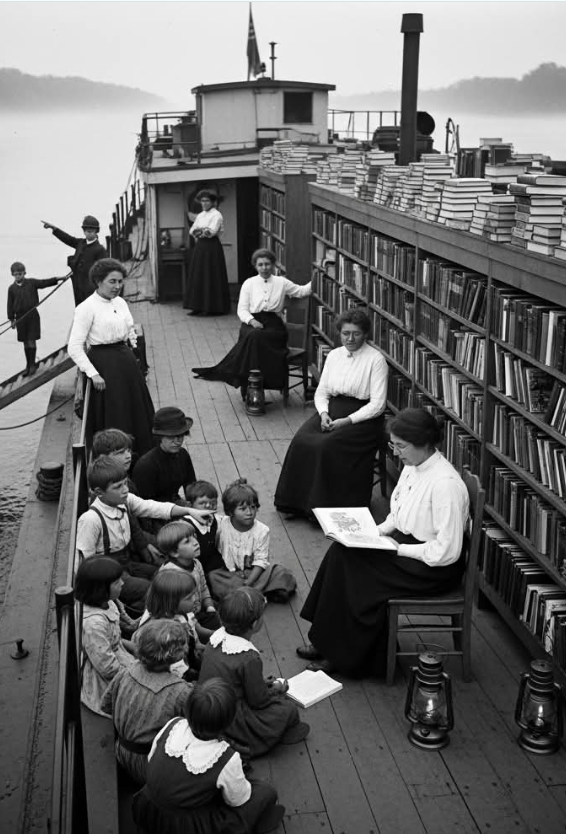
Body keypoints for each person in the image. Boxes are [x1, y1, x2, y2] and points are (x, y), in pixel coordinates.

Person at [297, 408, 469, 677]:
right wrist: (373, 533)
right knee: (341, 552)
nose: (395, 452)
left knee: (358, 574)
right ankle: (326, 641)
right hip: (408, 547)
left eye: (401, 446)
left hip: (431, 568)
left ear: (423, 444)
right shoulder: (414, 465)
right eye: (393, 445)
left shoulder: (445, 485)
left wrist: (397, 548)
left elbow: (446, 551)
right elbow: (397, 513)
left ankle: (346, 657)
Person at [131, 678, 285, 834]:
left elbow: (151, 759)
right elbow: (238, 800)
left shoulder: (173, 725)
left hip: (148, 813)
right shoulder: (226, 757)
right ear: (227, 723)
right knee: (265, 792)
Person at [274, 308, 388, 517]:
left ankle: (323, 510)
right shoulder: (334, 356)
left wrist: (347, 421)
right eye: (346, 333)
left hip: (363, 419)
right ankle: (296, 503)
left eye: (356, 333)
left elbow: (378, 405)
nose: (350, 338)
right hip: (332, 410)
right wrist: (324, 413)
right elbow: (322, 391)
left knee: (325, 446)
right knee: (301, 440)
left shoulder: (376, 360)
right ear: (339, 333)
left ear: (365, 334)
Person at [76, 456, 212, 615]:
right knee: (150, 589)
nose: (125, 489)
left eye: (125, 483)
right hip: (108, 576)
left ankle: (186, 610)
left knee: (163, 574)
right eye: (118, 486)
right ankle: (158, 617)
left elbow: (152, 507)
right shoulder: (91, 520)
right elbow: (85, 563)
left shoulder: (125, 501)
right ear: (99, 492)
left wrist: (190, 511)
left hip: (127, 562)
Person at [198, 587, 309, 757]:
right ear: (255, 624)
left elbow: (232, 677)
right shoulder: (248, 657)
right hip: (231, 715)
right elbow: (259, 701)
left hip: (207, 707)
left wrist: (263, 683)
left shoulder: (215, 639)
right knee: (287, 710)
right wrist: (277, 688)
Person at [191, 248, 312, 399]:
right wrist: (252, 321)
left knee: (255, 338)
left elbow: (302, 291)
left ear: (273, 265)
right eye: (260, 264)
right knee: (253, 335)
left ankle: (246, 382)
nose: (264, 268)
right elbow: (242, 310)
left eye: (267, 264)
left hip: (274, 326)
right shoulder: (249, 283)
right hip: (251, 321)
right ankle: (253, 385)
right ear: (255, 266)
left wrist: (318, 275)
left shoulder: (282, 282)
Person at [67, 258, 156, 456]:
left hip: (126, 363)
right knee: (116, 413)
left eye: (120, 281)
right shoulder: (86, 308)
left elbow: (130, 329)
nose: (117, 286)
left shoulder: (121, 302)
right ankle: (115, 458)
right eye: (112, 281)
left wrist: (135, 352)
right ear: (98, 281)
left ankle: (140, 455)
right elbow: (74, 347)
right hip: (104, 366)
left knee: (137, 411)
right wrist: (93, 373)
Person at [101, 618, 192, 785]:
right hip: (151, 763)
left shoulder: (127, 671)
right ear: (176, 655)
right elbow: (197, 729)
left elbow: (106, 706)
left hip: (122, 752)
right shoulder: (181, 691)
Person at [207, 478, 296, 605]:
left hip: (252, 573)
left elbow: (261, 560)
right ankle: (255, 595)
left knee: (281, 573)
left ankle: (247, 595)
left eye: (253, 507)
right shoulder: (221, 524)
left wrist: (249, 582)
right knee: (213, 577)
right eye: (242, 509)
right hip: (228, 573)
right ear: (231, 511)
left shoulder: (262, 530)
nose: (249, 513)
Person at [75, 555, 138, 716]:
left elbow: (122, 627)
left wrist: (133, 647)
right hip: (108, 675)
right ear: (100, 589)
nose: (123, 583)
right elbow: (108, 668)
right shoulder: (93, 625)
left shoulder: (108, 602)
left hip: (119, 655)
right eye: (117, 582)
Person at [91, 428, 163, 563]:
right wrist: (145, 545)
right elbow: (132, 525)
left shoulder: (123, 481)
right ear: (103, 458)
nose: (128, 456)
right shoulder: (108, 494)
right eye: (120, 453)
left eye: (128, 450)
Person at [132, 407, 197, 537]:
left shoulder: (183, 455)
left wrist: (197, 507)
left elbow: (191, 487)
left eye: (181, 435)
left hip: (176, 503)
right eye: (171, 436)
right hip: (153, 515)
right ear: (160, 437)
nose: (177, 441)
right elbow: (143, 507)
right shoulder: (146, 466)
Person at [133, 567, 205, 680]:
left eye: (194, 594)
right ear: (171, 602)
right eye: (189, 597)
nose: (195, 599)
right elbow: (171, 664)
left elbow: (196, 632)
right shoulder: (161, 632)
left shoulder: (182, 612)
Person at [155, 521, 221, 634]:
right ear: (174, 552)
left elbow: (203, 587)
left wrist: (209, 605)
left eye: (194, 537)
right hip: (182, 620)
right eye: (187, 541)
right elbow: (173, 609)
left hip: (199, 609)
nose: (196, 543)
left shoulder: (196, 563)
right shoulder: (170, 573)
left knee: (224, 612)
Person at [6, 261, 64, 376]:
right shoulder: (11, 288)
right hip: (20, 318)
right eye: (16, 274)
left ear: (24, 273)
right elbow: (9, 304)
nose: (18, 276)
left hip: (32, 315)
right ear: (12, 274)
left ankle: (32, 365)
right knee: (25, 342)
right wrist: (11, 319)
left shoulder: (31, 283)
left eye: (20, 274)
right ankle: (28, 365)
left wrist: (58, 279)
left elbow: (44, 283)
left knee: (31, 340)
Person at [183, 189, 230, 316]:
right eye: (202, 201)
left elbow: (211, 232)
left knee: (211, 275)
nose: (204, 203)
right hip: (200, 247)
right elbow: (192, 231)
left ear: (213, 202)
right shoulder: (200, 215)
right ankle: (197, 306)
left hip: (212, 248)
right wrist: (200, 231)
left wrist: (201, 231)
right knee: (198, 275)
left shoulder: (217, 215)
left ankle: (211, 308)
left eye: (207, 201)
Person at [42, 214, 107, 306]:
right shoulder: (80, 243)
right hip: (77, 284)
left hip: (91, 287)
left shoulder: (100, 249)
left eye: (92, 231)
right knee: (80, 308)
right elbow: (67, 239)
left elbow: (104, 270)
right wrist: (54, 229)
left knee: (91, 309)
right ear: (84, 231)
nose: (89, 233)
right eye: (87, 231)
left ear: (96, 232)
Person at [181, 480, 225, 578]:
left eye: (213, 503)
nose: (209, 506)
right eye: (202, 503)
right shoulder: (186, 525)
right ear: (189, 505)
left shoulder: (214, 519)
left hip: (212, 564)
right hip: (194, 567)